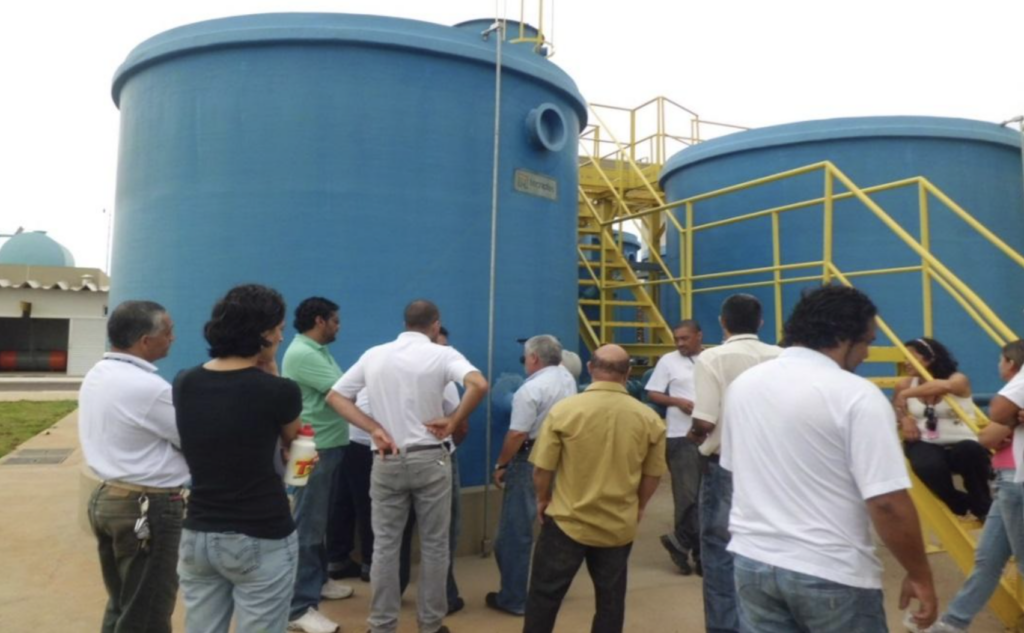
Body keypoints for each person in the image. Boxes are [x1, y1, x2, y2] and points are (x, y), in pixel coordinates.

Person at [722, 285, 937, 632]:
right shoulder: (857, 396)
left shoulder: (743, 387)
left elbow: (736, 471)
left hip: (752, 564)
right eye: (867, 341)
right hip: (831, 573)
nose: (867, 353)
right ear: (841, 336)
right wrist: (920, 575)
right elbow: (887, 503)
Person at [327, 300, 488, 633]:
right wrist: (454, 419)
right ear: (435, 325)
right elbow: (479, 384)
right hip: (431, 457)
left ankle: (381, 625)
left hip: (386, 458)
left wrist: (373, 429)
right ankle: (430, 625)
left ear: (405, 323)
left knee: (385, 545)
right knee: (434, 545)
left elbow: (336, 396)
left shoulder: (375, 355)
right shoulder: (443, 355)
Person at [173, 284, 303, 632]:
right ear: (263, 334)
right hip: (261, 531)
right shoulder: (280, 391)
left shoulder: (185, 382)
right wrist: (272, 367)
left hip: (198, 530)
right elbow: (297, 442)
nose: (281, 334)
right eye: (278, 328)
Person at [523, 344, 667, 633]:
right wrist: (637, 507)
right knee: (611, 602)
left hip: (566, 522)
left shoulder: (565, 411)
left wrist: (542, 499)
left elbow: (543, 468)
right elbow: (652, 475)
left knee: (544, 597)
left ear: (590, 368)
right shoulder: (649, 419)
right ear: (628, 374)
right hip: (617, 526)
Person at [79, 300, 186, 633]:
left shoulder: (99, 373)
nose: (173, 337)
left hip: (109, 499)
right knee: (148, 612)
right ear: (144, 340)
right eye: (168, 331)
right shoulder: (149, 388)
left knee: (124, 603)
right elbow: (192, 438)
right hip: (147, 506)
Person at [910, 341, 1024, 633]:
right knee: (988, 559)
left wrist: (1007, 422)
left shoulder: (1018, 385)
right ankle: (953, 623)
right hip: (1006, 481)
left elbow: (994, 421)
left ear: (1010, 362)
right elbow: (989, 434)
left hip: (1016, 480)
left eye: (1000, 360)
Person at [689, 294, 781, 633]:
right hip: (772, 467)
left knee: (719, 553)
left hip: (724, 466)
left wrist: (694, 438)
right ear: (760, 323)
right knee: (768, 550)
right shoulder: (780, 357)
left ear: (722, 322)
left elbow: (705, 420)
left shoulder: (712, 358)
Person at [486, 334, 577, 616]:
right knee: (553, 528)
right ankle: (547, 591)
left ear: (534, 358)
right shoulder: (567, 379)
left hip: (530, 459)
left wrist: (501, 464)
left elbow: (517, 434)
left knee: (515, 534)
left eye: (526, 356)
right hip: (561, 457)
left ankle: (513, 598)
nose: (524, 361)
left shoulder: (530, 389)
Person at [283, 297, 355, 633]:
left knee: (316, 520)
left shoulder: (316, 351)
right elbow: (342, 392)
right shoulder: (303, 354)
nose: (339, 326)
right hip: (313, 449)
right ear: (319, 320)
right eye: (336, 321)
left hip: (321, 447)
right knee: (308, 525)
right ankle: (299, 607)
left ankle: (319, 580)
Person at [893, 337, 991, 520]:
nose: (906, 362)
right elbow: (898, 405)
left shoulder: (958, 379)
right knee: (926, 465)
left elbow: (945, 386)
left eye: (912, 357)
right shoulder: (904, 384)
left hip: (962, 442)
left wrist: (907, 394)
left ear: (930, 358)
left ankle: (982, 505)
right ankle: (958, 501)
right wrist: (905, 419)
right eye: (904, 357)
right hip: (926, 441)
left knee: (971, 451)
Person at [645, 319, 703, 575]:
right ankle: (686, 546)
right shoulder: (668, 361)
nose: (679, 343)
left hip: (708, 435)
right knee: (687, 497)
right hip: (680, 436)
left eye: (685, 338)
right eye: (676, 338)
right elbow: (653, 393)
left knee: (705, 498)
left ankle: (689, 548)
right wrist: (677, 401)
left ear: (698, 336)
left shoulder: (712, 358)